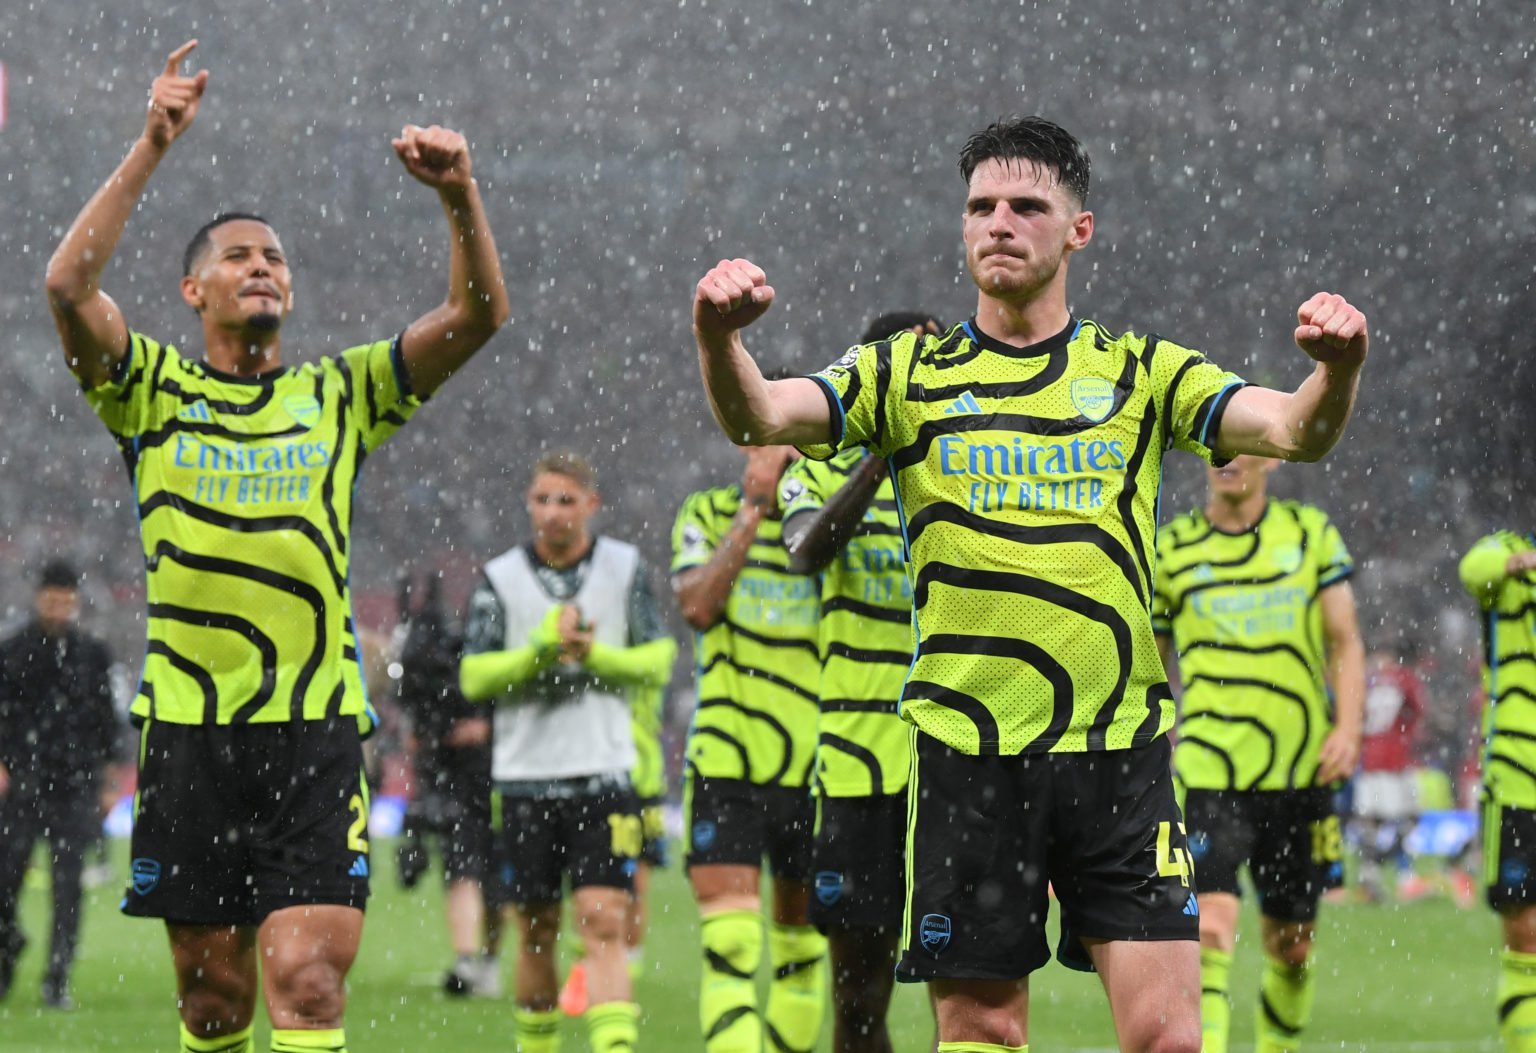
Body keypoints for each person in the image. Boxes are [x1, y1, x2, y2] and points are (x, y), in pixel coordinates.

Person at [690, 114, 1368, 1053]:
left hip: (1119, 756)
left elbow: (1298, 429)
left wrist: (1337, 369)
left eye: (1026, 205)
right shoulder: (906, 373)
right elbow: (759, 411)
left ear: (1077, 230)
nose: (999, 221)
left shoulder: (1139, 372)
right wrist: (718, 337)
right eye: (981, 205)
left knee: (1170, 1036)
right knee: (982, 1028)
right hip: (971, 759)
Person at [43, 40, 509, 1053]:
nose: (264, 266)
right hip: (188, 737)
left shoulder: (339, 394)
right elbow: (69, 288)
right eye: (239, 256)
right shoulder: (150, 393)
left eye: (277, 258)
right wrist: (151, 144)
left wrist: (459, 195)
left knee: (306, 981)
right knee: (213, 1002)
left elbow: (477, 316)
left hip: (314, 732)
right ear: (193, 293)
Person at [459, 450, 676, 1053]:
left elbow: (659, 659)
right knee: (535, 930)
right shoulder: (500, 577)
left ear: (591, 505)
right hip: (525, 779)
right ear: (528, 504)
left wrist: (594, 656)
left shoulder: (624, 568)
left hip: (603, 774)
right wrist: (538, 652)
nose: (552, 512)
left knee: (605, 921)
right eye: (542, 499)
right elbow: (474, 677)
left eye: (565, 500)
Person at [1153, 456, 1364, 1053]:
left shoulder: (1309, 534)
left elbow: (1345, 641)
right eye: (1217, 446)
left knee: (1292, 947)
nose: (1229, 459)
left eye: (1244, 445)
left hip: (1301, 774)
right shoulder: (1174, 550)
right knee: (1211, 930)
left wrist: (1347, 728)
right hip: (1210, 773)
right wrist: (1155, 742)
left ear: (1272, 456)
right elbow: (1152, 664)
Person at [779, 310, 939, 1053]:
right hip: (857, 767)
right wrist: (875, 460)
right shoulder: (815, 463)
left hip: (955, 760)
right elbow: (806, 552)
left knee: (975, 990)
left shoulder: (966, 472)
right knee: (860, 997)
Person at [671, 442, 828, 1053]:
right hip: (726, 758)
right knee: (731, 946)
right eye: (770, 445)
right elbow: (698, 605)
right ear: (747, 445)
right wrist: (753, 510)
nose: (782, 461)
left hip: (815, 764)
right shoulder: (707, 514)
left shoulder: (829, 526)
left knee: (801, 953)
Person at [0, 559, 118, 1009]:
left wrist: (108, 781)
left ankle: (57, 980)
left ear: (75, 602)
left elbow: (106, 721)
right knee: (5, 882)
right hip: (23, 783)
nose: (58, 606)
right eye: (52, 598)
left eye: (66, 600)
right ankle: (8, 948)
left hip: (76, 784)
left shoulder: (93, 654)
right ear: (38, 597)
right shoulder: (11, 651)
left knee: (68, 889)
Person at [390, 572, 501, 997]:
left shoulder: (476, 655)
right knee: (464, 867)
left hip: (485, 777)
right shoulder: (426, 663)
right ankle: (470, 960)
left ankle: (482, 960)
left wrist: (485, 727)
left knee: (483, 873)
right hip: (448, 776)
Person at [1459, 529, 1536, 1053]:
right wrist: (1519, 564)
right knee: (1525, 932)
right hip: (1517, 780)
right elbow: (1473, 570)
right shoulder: (1509, 551)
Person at [1355, 647, 1429, 903]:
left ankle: (1370, 873)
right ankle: (1402, 876)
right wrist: (1406, 735)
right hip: (1394, 758)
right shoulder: (1403, 678)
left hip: (1369, 757)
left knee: (1373, 822)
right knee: (1408, 818)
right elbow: (1419, 709)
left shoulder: (1364, 679)